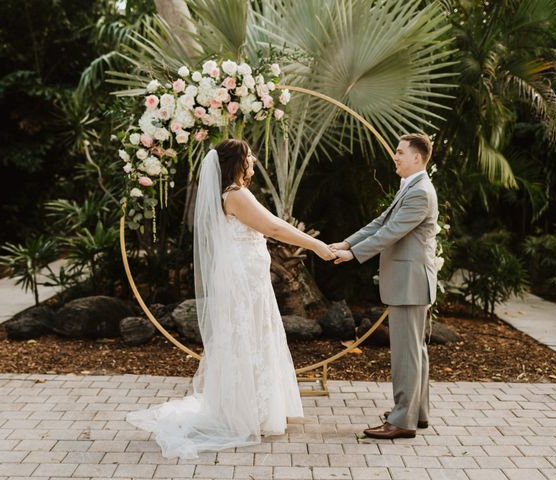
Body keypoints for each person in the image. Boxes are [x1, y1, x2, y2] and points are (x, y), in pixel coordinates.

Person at [126, 139, 336, 458]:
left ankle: (257, 408)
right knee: (249, 337)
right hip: (244, 281)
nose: (252, 159)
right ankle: (251, 412)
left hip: (247, 277)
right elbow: (274, 228)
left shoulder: (229, 194)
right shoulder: (236, 195)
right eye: (247, 155)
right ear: (234, 163)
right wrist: (316, 245)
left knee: (252, 336)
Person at [330, 133, 438, 439]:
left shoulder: (420, 193)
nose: (396, 156)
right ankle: (416, 414)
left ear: (417, 157)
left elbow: (391, 232)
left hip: (410, 283)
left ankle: (401, 422)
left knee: (407, 353)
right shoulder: (412, 187)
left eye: (400, 152)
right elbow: (380, 222)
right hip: (411, 282)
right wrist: (348, 242)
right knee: (415, 351)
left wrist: (353, 254)